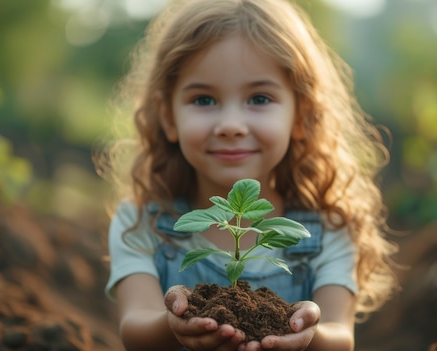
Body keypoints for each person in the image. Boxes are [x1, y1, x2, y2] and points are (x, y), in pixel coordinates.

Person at [96, 0, 399, 350]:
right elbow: (135, 329)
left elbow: (340, 338)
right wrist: (175, 324)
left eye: (258, 98)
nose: (231, 126)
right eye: (204, 100)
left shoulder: (328, 230)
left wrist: (308, 332)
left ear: (301, 116)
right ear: (167, 117)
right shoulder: (141, 224)